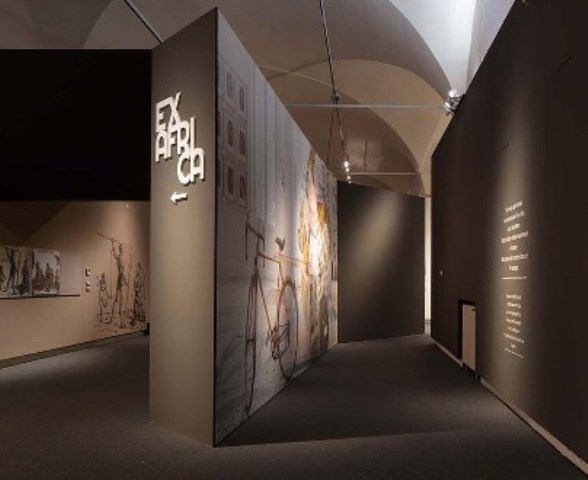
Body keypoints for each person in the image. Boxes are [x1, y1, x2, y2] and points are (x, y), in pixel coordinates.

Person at [110, 241, 128, 327]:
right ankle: (120, 321)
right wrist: (112, 243)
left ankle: (116, 319)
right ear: (120, 249)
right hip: (120, 278)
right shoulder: (120, 257)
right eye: (121, 248)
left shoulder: (122, 257)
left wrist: (113, 244)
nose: (122, 250)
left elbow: (114, 254)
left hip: (121, 279)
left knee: (119, 299)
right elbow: (121, 272)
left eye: (122, 248)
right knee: (119, 299)